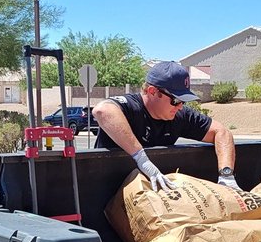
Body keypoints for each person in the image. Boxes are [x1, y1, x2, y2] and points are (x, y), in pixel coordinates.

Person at [93, 61, 239, 191]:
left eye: (184, 101)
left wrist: (226, 176)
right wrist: (142, 160)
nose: (180, 106)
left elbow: (222, 132)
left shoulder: (180, 115)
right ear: (153, 92)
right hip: (104, 194)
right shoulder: (132, 107)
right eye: (176, 100)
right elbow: (102, 111)